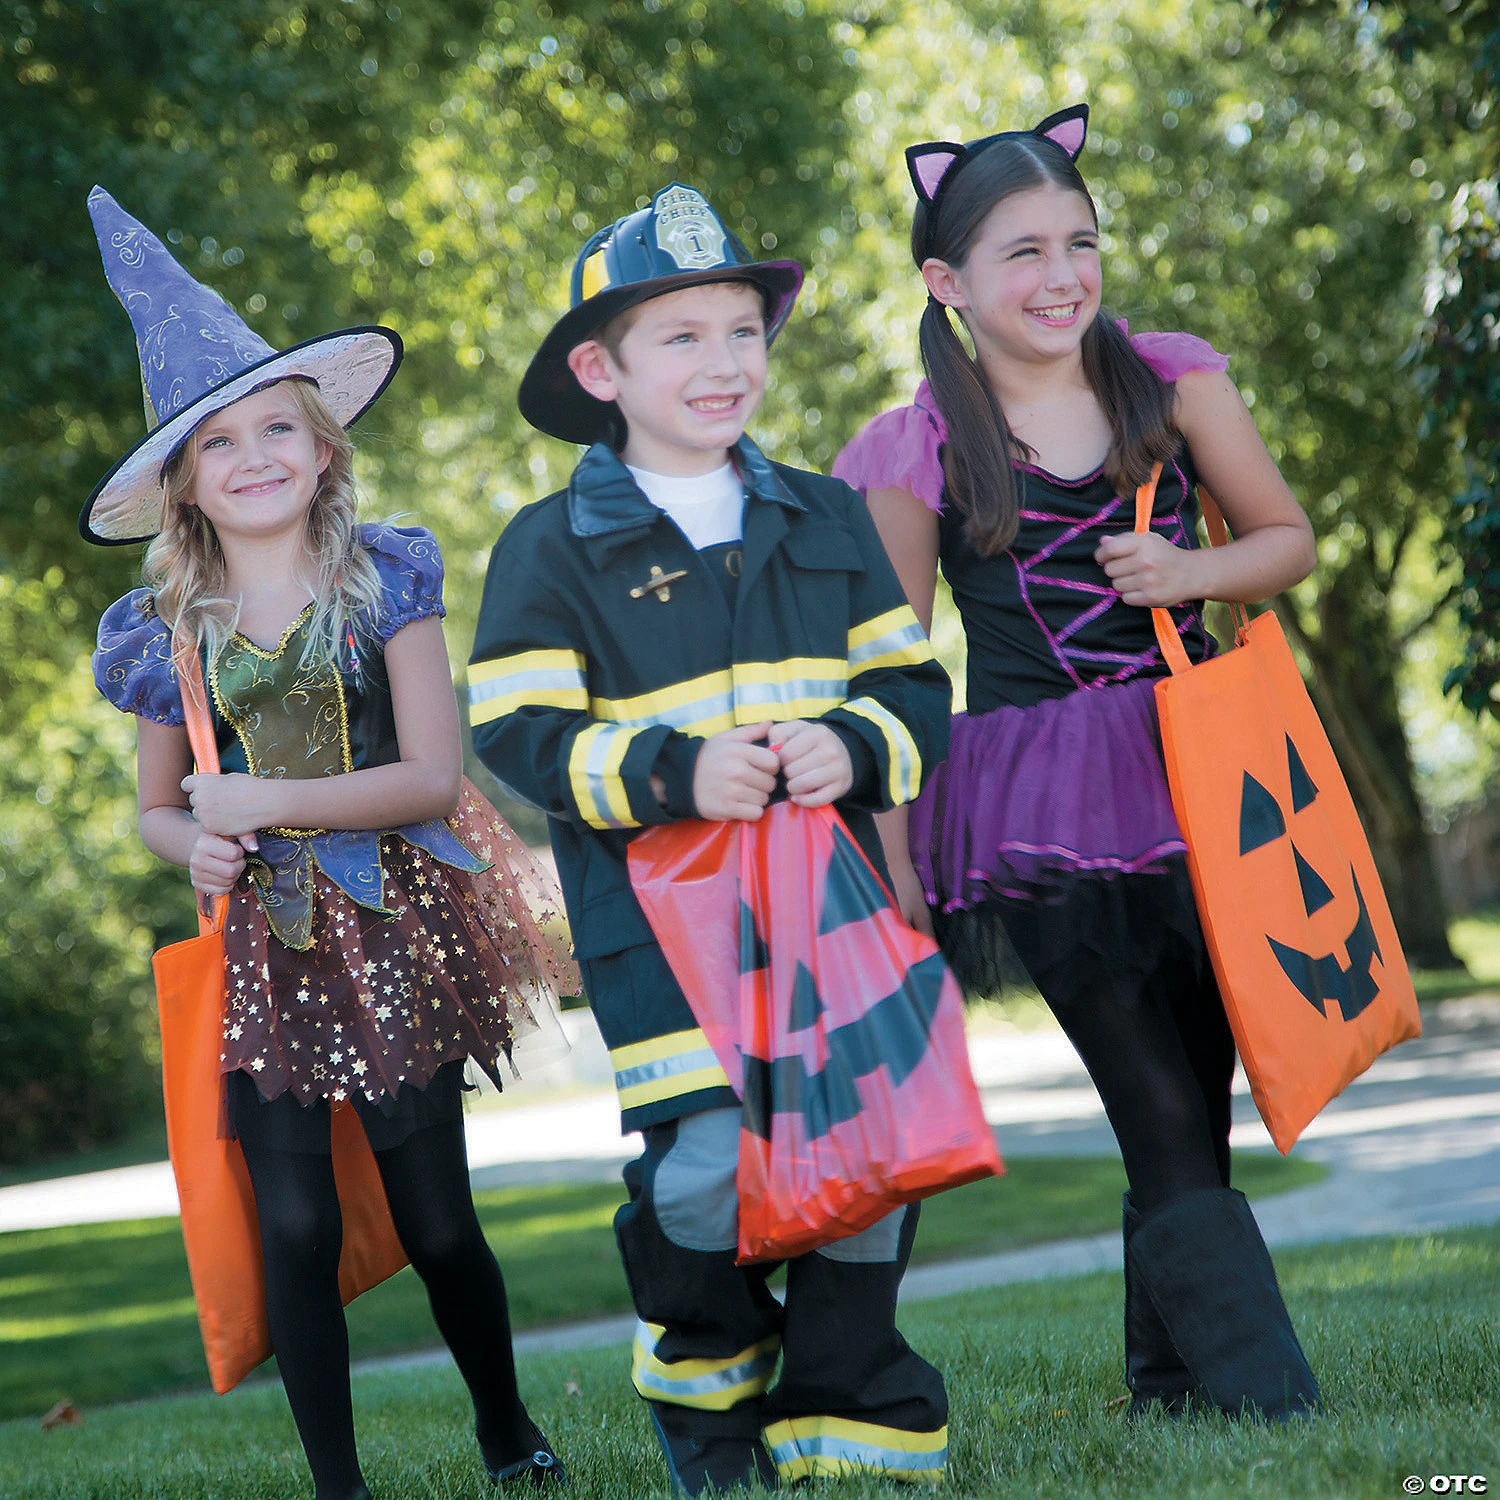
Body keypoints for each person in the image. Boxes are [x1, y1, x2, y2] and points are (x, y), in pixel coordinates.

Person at [82, 187, 575, 1499]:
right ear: (182, 482)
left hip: (396, 927)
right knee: (292, 1221)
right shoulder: (165, 631)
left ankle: (506, 1427)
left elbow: (426, 775)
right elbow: (158, 804)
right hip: (264, 950)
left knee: (436, 1221)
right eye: (220, 442)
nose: (253, 456)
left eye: (278, 428)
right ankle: (339, 1486)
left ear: (324, 447)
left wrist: (264, 804)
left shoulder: (386, 581)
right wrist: (184, 839)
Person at [834, 104, 1322, 1421]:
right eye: (1021, 253)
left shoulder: (1171, 379)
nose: (1062, 276)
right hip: (1032, 803)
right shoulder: (914, 445)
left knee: (1203, 1078)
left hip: (1205, 768)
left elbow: (1283, 539)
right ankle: (1273, 1403)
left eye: (1079, 242)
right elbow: (886, 666)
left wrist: (1189, 571)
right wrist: (891, 864)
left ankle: (1168, 1383)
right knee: (1152, 1094)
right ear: (949, 284)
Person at [468, 182, 954, 1492]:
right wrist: (679, 771)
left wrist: (848, 745)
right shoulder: (551, 546)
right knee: (699, 1176)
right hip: (657, 936)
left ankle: (852, 1425)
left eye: (741, 329)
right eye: (680, 337)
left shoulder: (826, 514)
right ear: (599, 368)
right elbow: (516, 734)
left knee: (860, 1172)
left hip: (829, 919)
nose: (722, 361)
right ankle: (708, 1389)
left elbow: (915, 693)